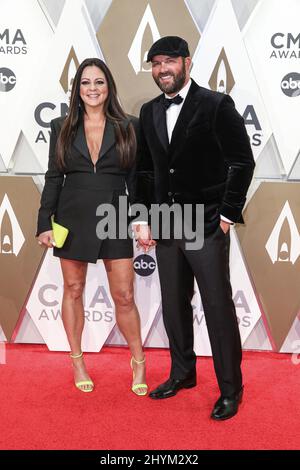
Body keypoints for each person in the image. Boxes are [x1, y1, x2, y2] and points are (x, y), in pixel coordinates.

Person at [134, 36, 255, 419]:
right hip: (167, 224)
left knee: (217, 307)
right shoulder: (149, 110)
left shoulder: (216, 105)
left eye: (169, 61)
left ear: (187, 62)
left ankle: (230, 390)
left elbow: (242, 161)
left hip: (205, 223)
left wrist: (226, 214)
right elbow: (144, 170)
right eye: (155, 63)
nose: (162, 69)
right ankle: (183, 373)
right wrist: (142, 217)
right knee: (173, 305)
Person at [36, 58, 147, 396]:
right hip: (73, 214)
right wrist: (45, 223)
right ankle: (77, 360)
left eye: (99, 82)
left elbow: (136, 179)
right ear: (77, 89)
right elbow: (54, 176)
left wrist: (142, 220)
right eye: (86, 83)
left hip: (114, 212)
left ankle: (139, 361)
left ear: (108, 86)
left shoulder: (129, 125)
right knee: (72, 289)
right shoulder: (62, 126)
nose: (93, 89)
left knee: (125, 295)